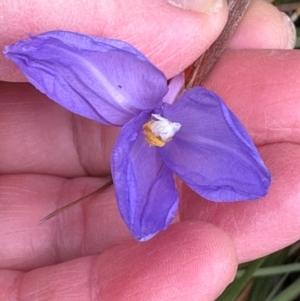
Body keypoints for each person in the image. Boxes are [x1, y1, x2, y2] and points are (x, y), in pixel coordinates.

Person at [0, 0, 298, 300]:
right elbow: (70, 61)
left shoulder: (165, 126)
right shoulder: (135, 104)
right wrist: (29, 50)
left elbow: (151, 216)